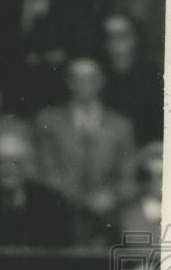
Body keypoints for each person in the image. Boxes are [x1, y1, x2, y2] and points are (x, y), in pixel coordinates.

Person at [34, 57, 136, 241]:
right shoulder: (49, 121)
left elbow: (128, 173)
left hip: (109, 214)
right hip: (63, 213)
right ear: (68, 82)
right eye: (77, 78)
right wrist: (81, 200)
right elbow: (46, 170)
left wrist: (111, 196)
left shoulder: (121, 125)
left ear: (101, 81)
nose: (84, 85)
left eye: (91, 78)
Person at [0, 121, 75, 247]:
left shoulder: (51, 202)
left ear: (27, 164)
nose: (7, 169)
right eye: (0, 162)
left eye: (15, 162)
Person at [100, 14, 164, 145]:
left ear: (134, 38)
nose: (115, 41)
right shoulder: (98, 74)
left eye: (121, 35)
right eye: (109, 36)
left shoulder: (151, 75)